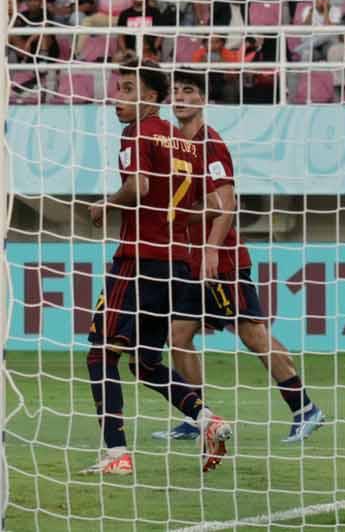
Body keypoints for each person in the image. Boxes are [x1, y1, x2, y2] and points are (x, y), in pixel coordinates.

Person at [154, 71, 327, 444]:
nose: (180, 97)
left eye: (189, 91)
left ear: (202, 100)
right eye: (176, 92)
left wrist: (212, 248)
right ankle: (197, 416)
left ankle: (305, 408)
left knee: (253, 336)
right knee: (179, 334)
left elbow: (226, 204)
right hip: (190, 259)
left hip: (222, 260)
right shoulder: (174, 144)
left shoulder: (210, 144)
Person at [83, 61, 233, 477]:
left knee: (100, 354)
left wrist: (105, 204)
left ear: (150, 98)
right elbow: (215, 208)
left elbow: (140, 188)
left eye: (128, 88)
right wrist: (178, 222)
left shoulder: (137, 132)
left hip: (138, 260)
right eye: (117, 88)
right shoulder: (183, 140)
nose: (118, 98)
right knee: (146, 363)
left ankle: (117, 454)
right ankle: (208, 420)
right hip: (176, 264)